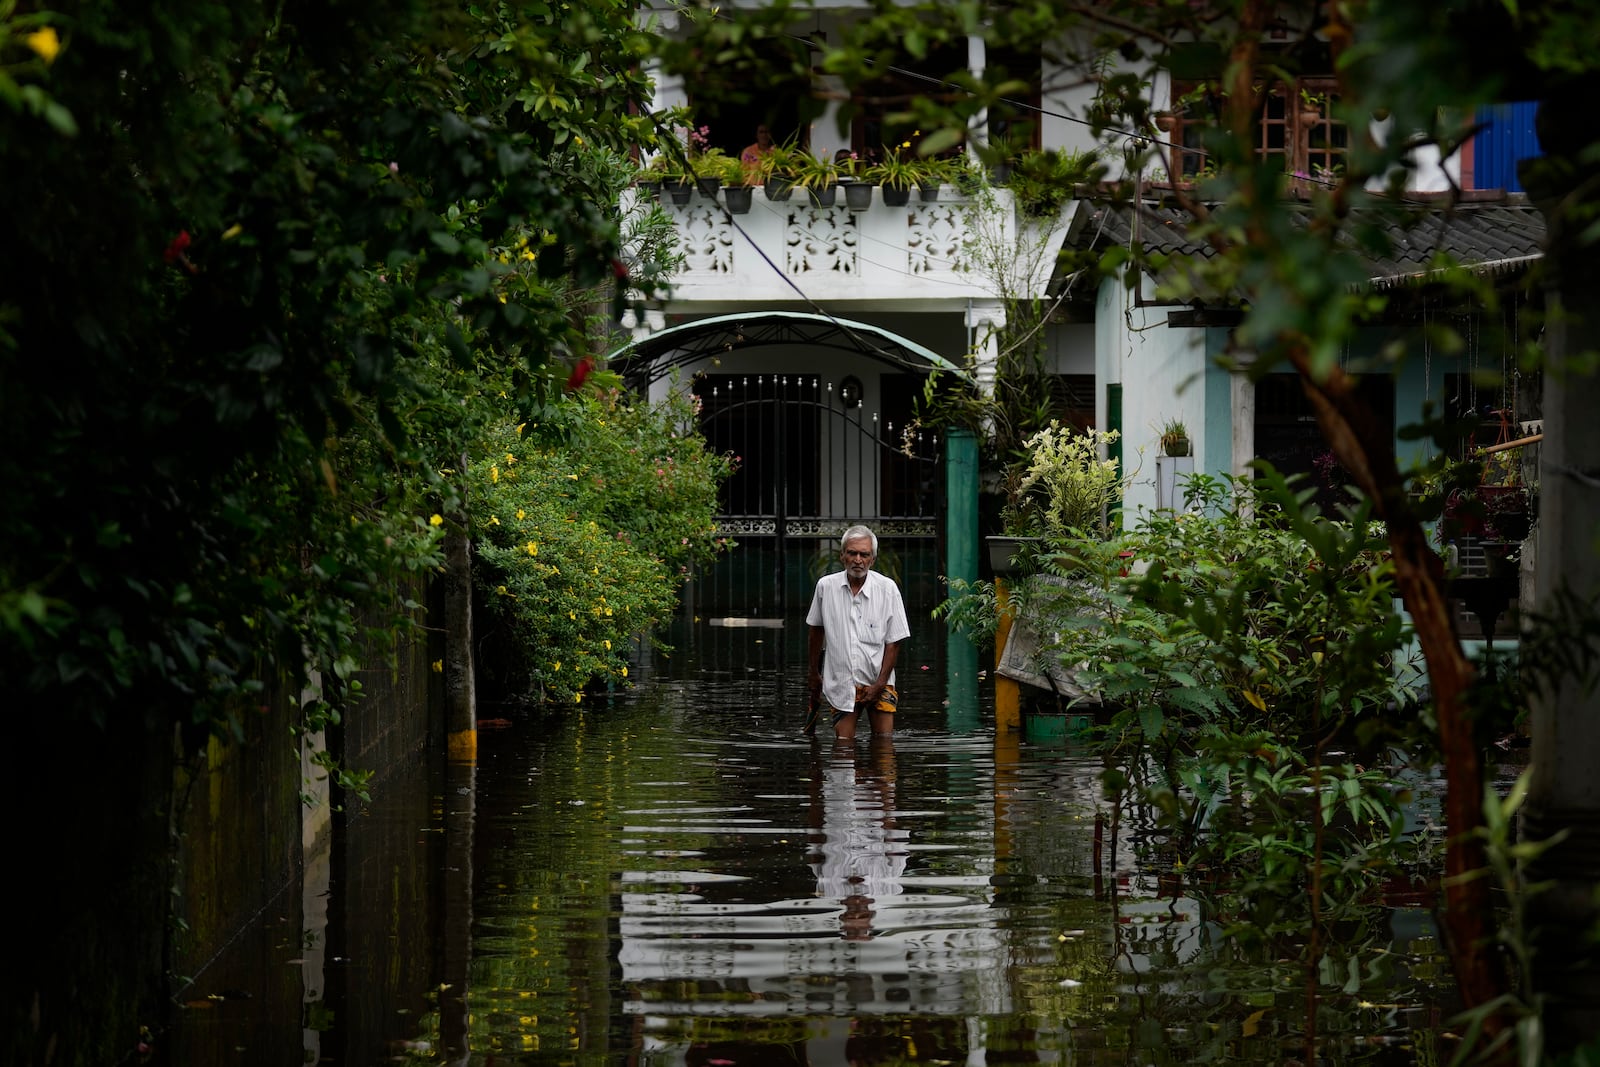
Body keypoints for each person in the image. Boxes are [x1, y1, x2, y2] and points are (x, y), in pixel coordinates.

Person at [805, 525, 911, 739]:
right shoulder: (826, 587)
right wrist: (813, 673)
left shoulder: (887, 589)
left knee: (883, 748)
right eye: (852, 553)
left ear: (873, 559)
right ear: (842, 556)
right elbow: (816, 631)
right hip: (841, 683)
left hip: (879, 681)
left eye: (864, 554)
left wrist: (880, 684)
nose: (858, 559)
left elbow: (894, 642)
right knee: (843, 747)